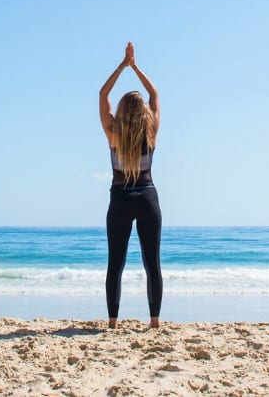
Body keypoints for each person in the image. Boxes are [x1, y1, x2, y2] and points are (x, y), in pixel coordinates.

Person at [98, 41, 162, 329]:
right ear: (143, 113)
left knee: (116, 264)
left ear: (122, 110)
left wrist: (122, 66)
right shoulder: (151, 131)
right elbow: (154, 93)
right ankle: (154, 321)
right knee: (152, 264)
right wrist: (135, 67)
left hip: (120, 201)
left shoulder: (113, 132)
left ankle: (112, 322)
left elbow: (103, 94)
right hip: (147, 199)